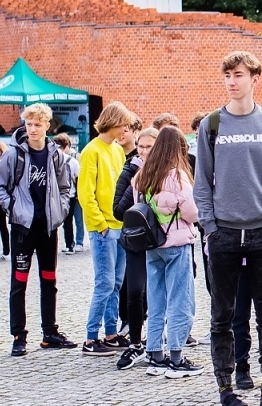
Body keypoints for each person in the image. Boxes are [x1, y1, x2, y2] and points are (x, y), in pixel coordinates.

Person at [193, 52, 262, 406]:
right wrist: (211, 225)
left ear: (254, 79)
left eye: (239, 75)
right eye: (227, 76)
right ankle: (226, 387)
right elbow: (201, 181)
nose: (232, 82)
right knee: (222, 316)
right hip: (224, 235)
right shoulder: (211, 124)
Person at [0, 103, 76, 356]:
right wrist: (12, 206)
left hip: (48, 227)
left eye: (38, 124)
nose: (33, 129)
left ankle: (50, 332)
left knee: (49, 280)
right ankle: (19, 335)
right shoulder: (14, 155)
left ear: (48, 126)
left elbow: (64, 186)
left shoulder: (56, 155)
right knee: (19, 282)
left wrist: (61, 209)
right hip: (22, 229)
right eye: (29, 124)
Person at [131, 127, 202, 377]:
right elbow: (193, 213)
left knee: (157, 298)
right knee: (180, 300)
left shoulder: (142, 176)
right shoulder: (177, 176)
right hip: (176, 244)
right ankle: (176, 357)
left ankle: (155, 355)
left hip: (152, 245)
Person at [78, 102, 135, 355]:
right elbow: (85, 193)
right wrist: (99, 224)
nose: (126, 129)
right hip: (103, 228)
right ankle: (91, 338)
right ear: (113, 122)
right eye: (123, 123)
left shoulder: (117, 151)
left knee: (116, 283)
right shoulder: (92, 151)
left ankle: (110, 333)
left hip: (119, 226)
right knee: (104, 283)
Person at [110, 126, 158, 366]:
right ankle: (135, 342)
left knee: (161, 292)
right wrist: (135, 185)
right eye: (141, 146)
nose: (144, 151)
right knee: (135, 291)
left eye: (149, 147)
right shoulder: (129, 169)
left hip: (162, 242)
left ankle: (159, 340)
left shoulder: (169, 172)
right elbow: (118, 210)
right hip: (137, 241)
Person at [54, 133, 84, 253]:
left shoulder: (70, 161)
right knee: (70, 220)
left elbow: (78, 178)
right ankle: (71, 244)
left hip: (67, 195)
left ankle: (74, 243)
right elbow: (78, 178)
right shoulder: (68, 161)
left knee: (73, 220)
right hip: (67, 194)